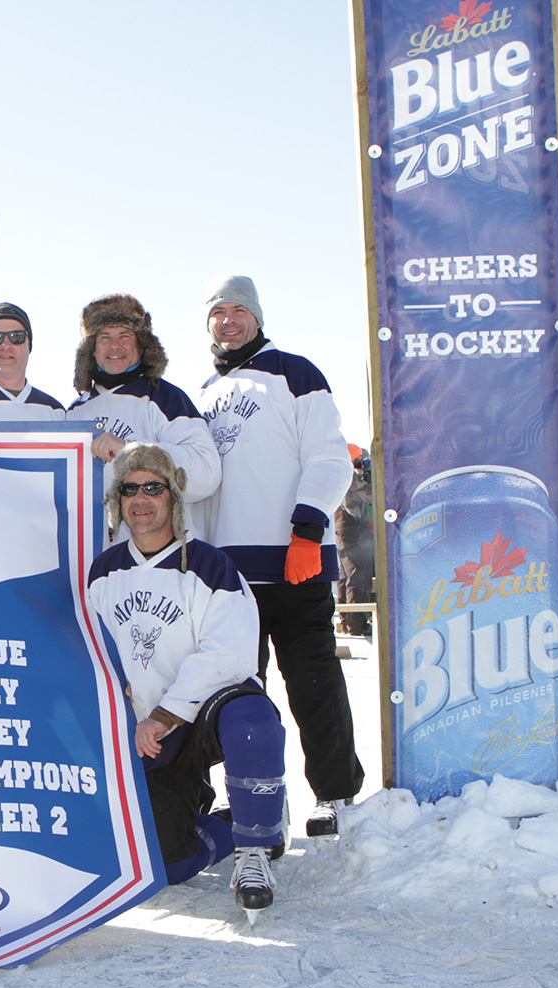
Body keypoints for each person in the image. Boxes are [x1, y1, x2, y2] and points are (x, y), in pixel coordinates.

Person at [194, 273, 363, 838]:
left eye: (239, 309)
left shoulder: (294, 373)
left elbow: (331, 458)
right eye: (218, 312)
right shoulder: (201, 395)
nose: (229, 320)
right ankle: (261, 800)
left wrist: (308, 530)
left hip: (294, 561)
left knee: (312, 684)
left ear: (258, 317)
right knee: (241, 698)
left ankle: (335, 793)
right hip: (229, 575)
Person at [87, 445, 286, 917]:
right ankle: (233, 818)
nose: (140, 499)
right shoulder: (103, 572)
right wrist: (125, 708)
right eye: (129, 489)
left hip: (197, 718)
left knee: (253, 720)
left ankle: (255, 849)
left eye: (152, 488)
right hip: (142, 737)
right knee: (168, 864)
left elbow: (230, 655)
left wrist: (164, 714)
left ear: (174, 496)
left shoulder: (211, 565)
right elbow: (93, 651)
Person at [67, 293, 221, 542]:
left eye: (125, 336)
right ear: (91, 350)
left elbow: (206, 473)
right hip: (91, 565)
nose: (114, 346)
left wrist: (134, 453)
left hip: (159, 563)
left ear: (142, 345)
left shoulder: (165, 398)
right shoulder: (74, 412)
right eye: (105, 337)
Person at [335, 446, 374, 638]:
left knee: (345, 577)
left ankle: (346, 622)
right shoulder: (349, 476)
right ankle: (357, 625)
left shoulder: (340, 472)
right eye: (360, 457)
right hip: (352, 530)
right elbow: (370, 495)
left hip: (343, 530)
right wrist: (372, 478)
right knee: (358, 575)